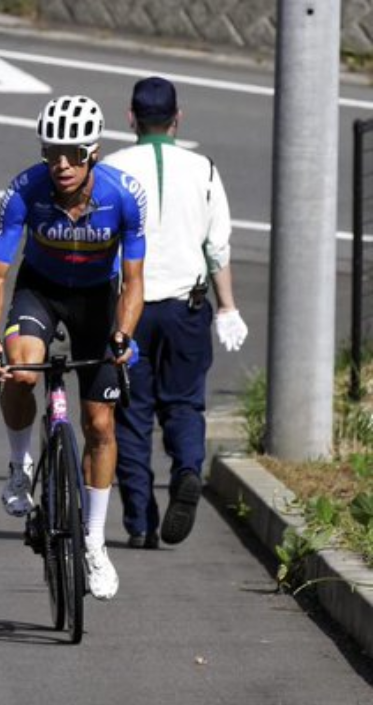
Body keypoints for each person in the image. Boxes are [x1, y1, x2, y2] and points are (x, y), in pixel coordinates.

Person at [0, 96, 147, 600]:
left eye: (73, 154)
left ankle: (94, 541)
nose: (62, 164)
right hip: (41, 292)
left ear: (93, 152)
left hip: (97, 300)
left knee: (100, 423)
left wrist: (125, 333)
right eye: (52, 152)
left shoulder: (124, 195)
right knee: (21, 372)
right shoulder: (24, 191)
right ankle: (20, 466)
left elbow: (135, 280)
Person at [102, 77, 247, 549]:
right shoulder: (204, 169)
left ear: (131, 118)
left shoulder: (111, 169)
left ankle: (140, 521)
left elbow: (100, 242)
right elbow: (217, 247)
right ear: (177, 118)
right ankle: (186, 469)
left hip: (129, 309)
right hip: (188, 306)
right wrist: (227, 307)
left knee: (131, 413)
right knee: (184, 403)